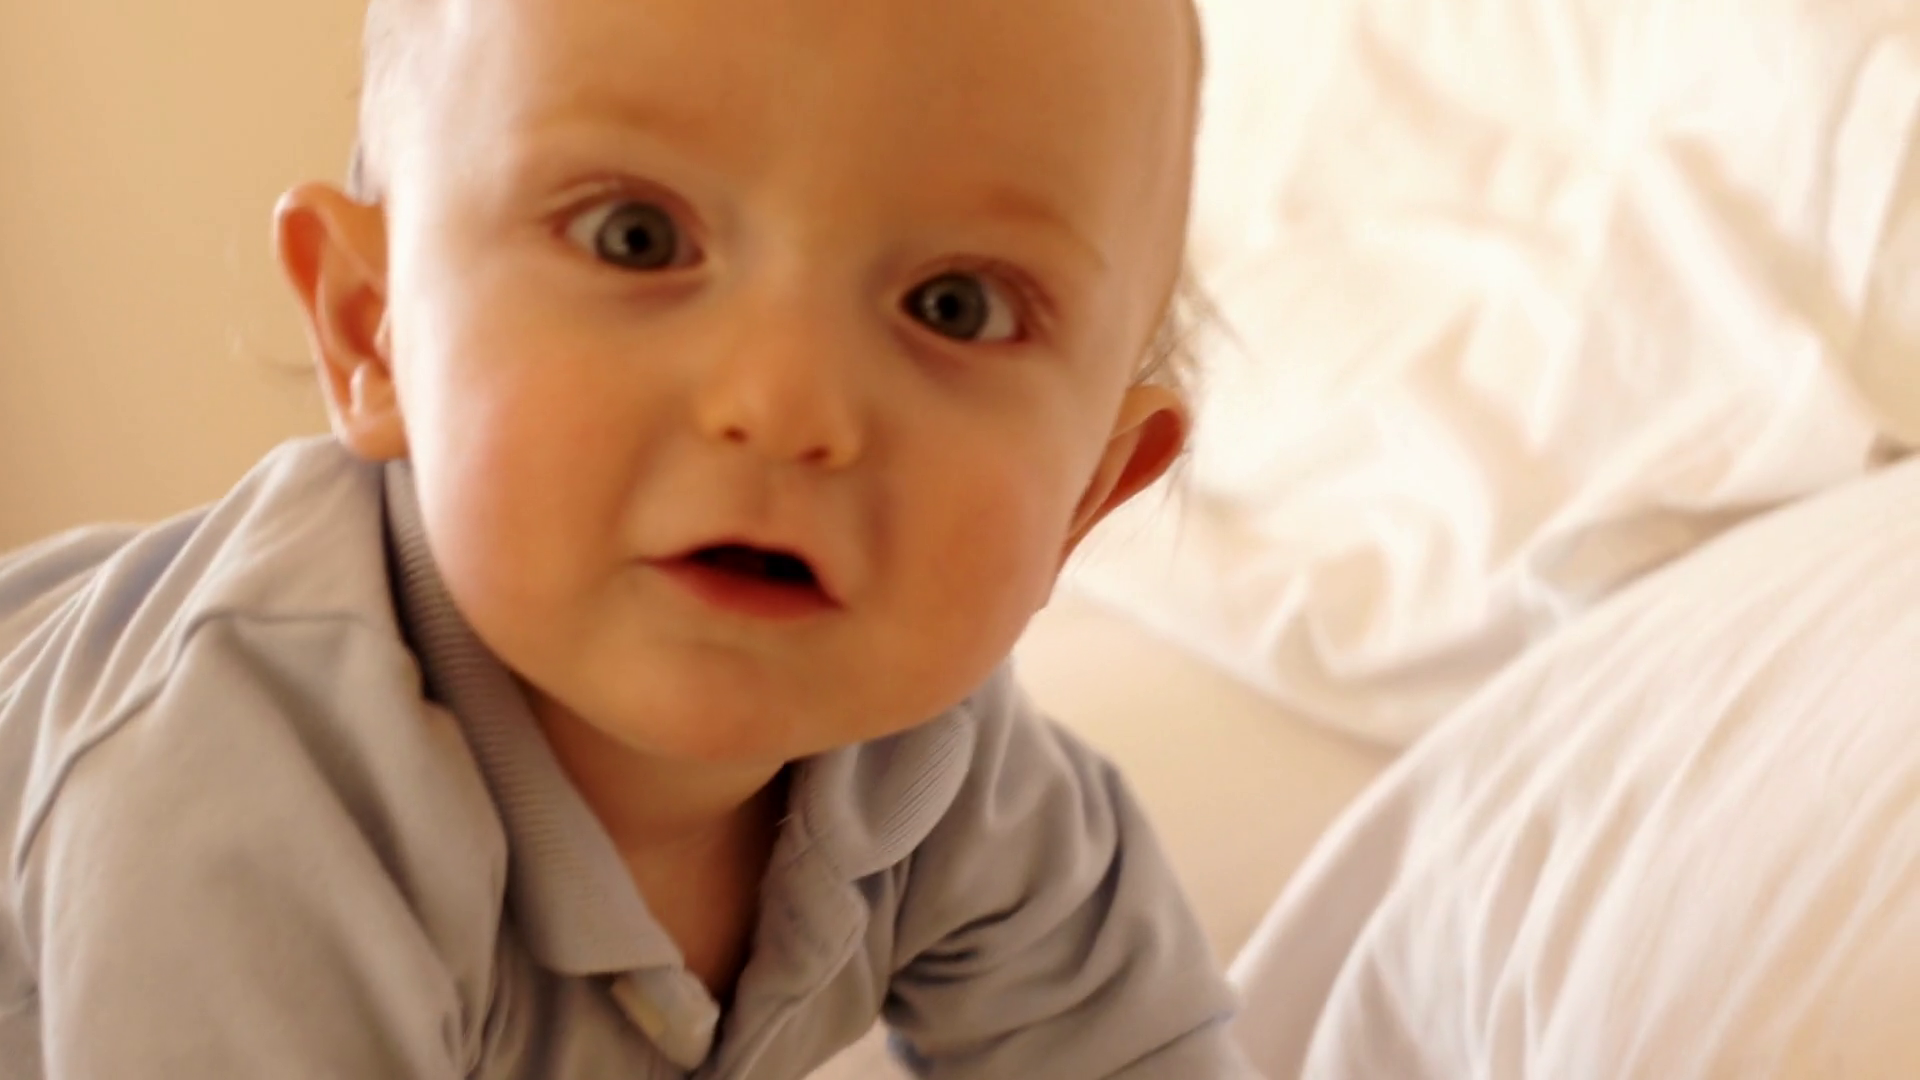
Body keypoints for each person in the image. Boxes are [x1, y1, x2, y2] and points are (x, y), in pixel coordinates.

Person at [0, 0, 1250, 1076]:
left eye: (956, 306)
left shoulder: (952, 777)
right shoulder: (246, 804)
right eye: (635, 238)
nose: (784, 405)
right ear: (375, 332)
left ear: (1088, 496)